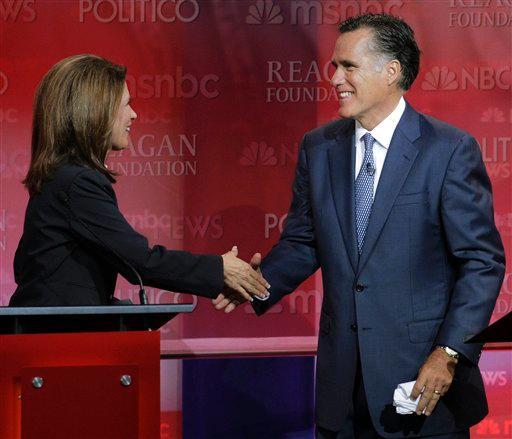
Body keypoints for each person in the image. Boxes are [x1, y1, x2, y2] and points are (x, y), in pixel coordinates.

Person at [214, 13, 505, 439]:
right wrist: (257, 283)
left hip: (423, 384)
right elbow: (303, 241)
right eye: (334, 66)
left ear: (392, 72)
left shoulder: (448, 150)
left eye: (348, 66)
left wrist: (449, 352)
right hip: (341, 389)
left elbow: (481, 263)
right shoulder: (319, 148)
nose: (334, 78)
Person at [10, 54, 269, 307]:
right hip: (57, 343)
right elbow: (140, 260)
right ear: (94, 110)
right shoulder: (77, 183)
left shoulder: (64, 178)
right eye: (125, 105)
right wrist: (219, 269)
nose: (133, 114)